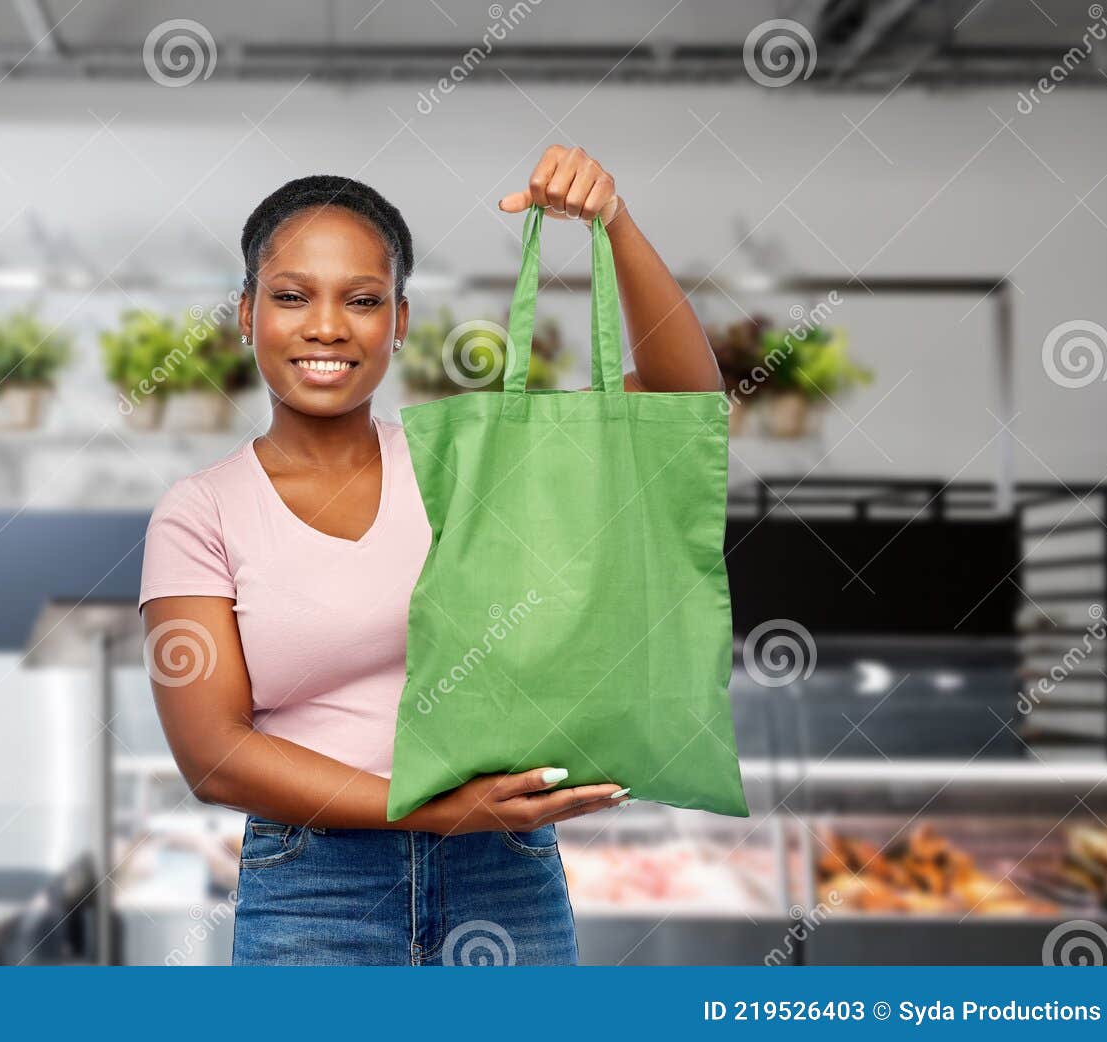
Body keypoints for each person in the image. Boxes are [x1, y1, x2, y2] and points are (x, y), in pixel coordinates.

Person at [138, 146, 724, 965]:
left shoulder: (467, 463)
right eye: (291, 295)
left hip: (503, 874)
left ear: (400, 321)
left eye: (364, 299)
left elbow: (681, 402)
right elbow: (216, 757)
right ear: (246, 314)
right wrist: (433, 812)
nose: (327, 326)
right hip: (314, 887)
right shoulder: (201, 512)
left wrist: (612, 223)